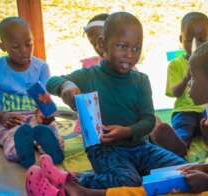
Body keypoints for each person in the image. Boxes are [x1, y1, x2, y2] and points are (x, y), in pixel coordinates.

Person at [25, 41, 208, 196]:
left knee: (148, 190)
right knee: (158, 182)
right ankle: (75, 186)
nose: (188, 83)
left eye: (192, 77)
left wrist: (207, 181)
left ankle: (77, 189)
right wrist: (203, 169)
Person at [45, 12, 186, 189]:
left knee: (185, 170)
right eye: (122, 46)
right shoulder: (89, 76)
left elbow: (149, 121)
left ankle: (131, 175)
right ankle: (73, 181)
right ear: (102, 44)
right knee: (128, 181)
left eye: (136, 48)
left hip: (140, 147)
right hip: (104, 150)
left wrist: (127, 131)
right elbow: (50, 82)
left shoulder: (141, 80)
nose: (129, 54)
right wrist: (65, 87)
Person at [0, 17, 64, 168]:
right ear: (2, 46)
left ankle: (53, 149)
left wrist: (45, 114)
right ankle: (23, 152)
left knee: (50, 132)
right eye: (16, 47)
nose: (24, 51)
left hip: (36, 116)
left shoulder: (41, 67)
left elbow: (44, 99)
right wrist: (0, 116)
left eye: (29, 44)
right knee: (12, 138)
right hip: (11, 119)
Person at [150, 12, 208, 156]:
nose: (195, 45)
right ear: (181, 39)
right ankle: (178, 146)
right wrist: (186, 78)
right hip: (185, 109)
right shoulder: (176, 64)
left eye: (201, 40)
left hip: (206, 109)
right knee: (183, 129)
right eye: (189, 40)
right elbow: (174, 93)